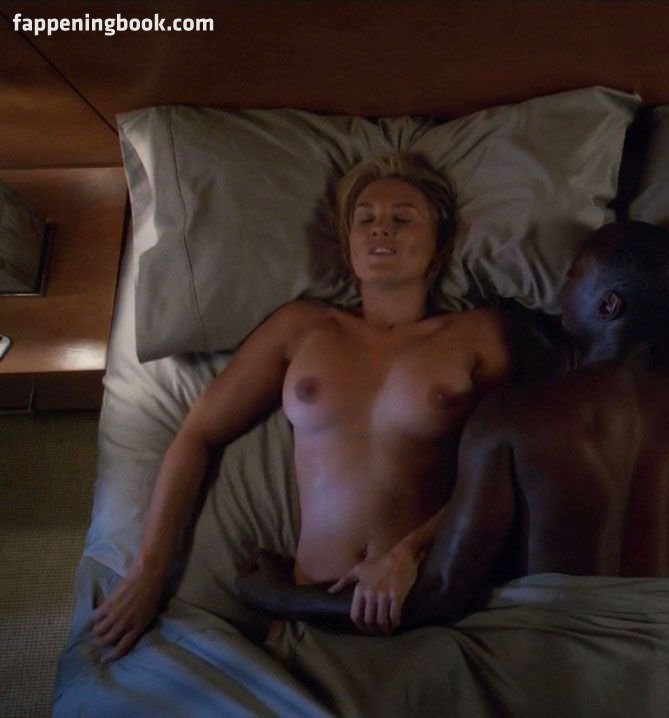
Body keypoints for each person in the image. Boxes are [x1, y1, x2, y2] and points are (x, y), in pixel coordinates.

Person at [89, 153, 510, 661]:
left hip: (428, 600)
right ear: (347, 243)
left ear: (439, 244)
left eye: (403, 219)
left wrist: (408, 553)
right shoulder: (302, 328)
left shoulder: (478, 336)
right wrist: (149, 571)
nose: (382, 229)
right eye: (366, 220)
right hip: (307, 609)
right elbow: (197, 434)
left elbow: (508, 470)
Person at [236, 220, 669, 637]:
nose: (559, 290)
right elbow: (657, 311)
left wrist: (275, 595)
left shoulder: (511, 419)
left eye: (574, 274)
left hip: (548, 643)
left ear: (609, 306)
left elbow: (440, 597)